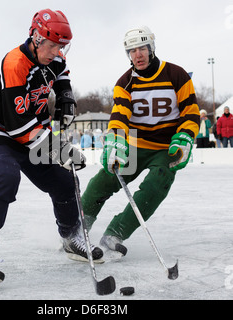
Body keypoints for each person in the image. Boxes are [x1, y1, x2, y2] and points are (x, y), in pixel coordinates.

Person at [0, 9, 103, 290]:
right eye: (51, 45)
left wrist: (65, 95)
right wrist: (60, 150)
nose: (56, 51)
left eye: (61, 46)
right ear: (36, 38)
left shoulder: (56, 56)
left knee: (64, 181)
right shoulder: (14, 63)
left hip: (31, 126)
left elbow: (62, 72)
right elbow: (19, 128)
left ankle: (69, 237)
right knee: (5, 176)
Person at [81, 26, 200, 255]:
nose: (138, 55)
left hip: (166, 147)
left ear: (151, 48)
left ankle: (117, 231)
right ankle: (78, 227)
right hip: (135, 144)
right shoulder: (125, 82)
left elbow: (190, 112)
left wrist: (185, 136)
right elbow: (119, 116)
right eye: (132, 50)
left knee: (157, 184)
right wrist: (115, 140)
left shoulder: (176, 75)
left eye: (142, 48)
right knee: (105, 180)